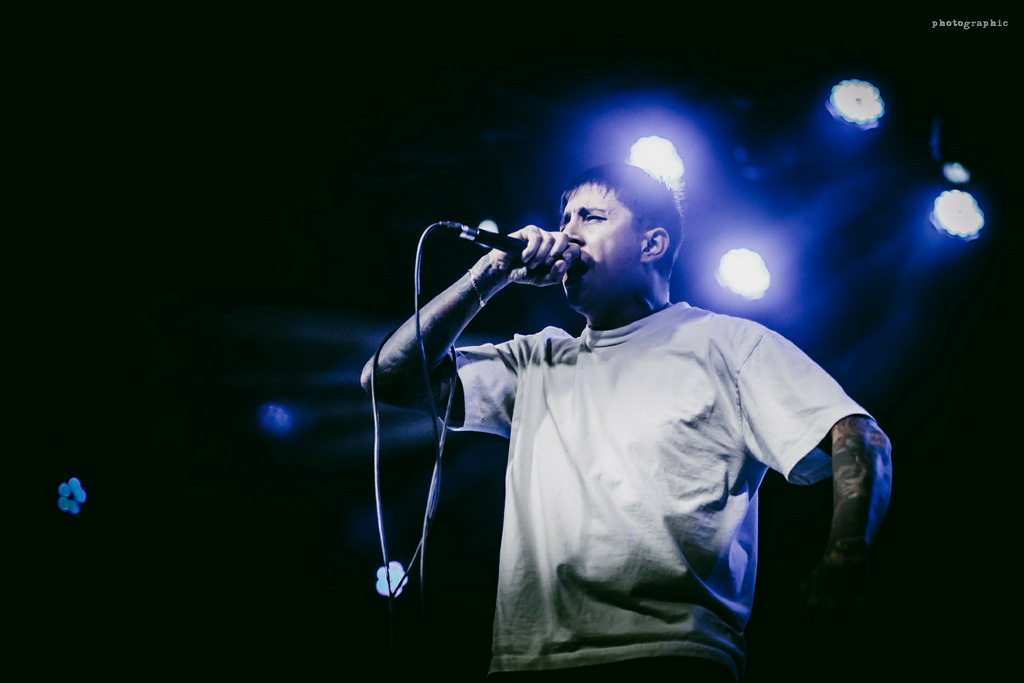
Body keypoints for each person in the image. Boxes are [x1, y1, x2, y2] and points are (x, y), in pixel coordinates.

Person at [361, 162, 892, 681]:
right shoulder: (536, 360)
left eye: (590, 217)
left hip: (670, 655)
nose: (567, 234)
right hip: (527, 662)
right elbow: (387, 378)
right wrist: (489, 275)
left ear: (651, 244)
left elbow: (857, 434)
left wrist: (845, 553)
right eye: (564, 219)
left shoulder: (727, 344)